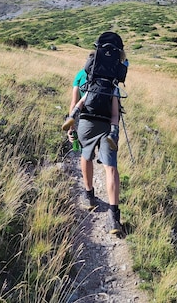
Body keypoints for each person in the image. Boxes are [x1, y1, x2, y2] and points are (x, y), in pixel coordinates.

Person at [65, 45, 127, 235]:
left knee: (86, 155)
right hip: (108, 123)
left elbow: (74, 101)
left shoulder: (81, 75)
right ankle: (114, 217)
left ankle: (89, 196)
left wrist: (72, 123)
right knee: (111, 168)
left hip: (86, 121)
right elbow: (115, 109)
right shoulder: (112, 79)